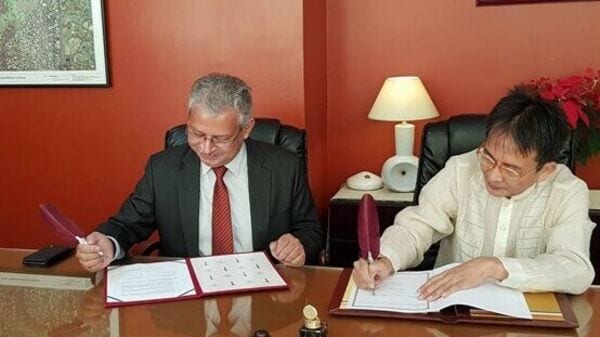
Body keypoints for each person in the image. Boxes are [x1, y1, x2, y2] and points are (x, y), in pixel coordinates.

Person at [353, 86, 596, 299]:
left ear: (545, 170)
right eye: (488, 156)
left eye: (511, 169)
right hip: (451, 308)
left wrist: (494, 267)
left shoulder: (568, 191)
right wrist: (387, 259)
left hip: (530, 318)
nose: (493, 175)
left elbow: (574, 268)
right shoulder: (461, 169)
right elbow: (418, 224)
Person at [77, 73, 324, 272]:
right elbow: (127, 224)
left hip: (263, 289)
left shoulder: (283, 166)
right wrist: (108, 243)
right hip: (188, 294)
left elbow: (310, 230)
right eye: (197, 134)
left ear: (246, 128)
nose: (206, 148)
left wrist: (298, 246)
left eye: (220, 138)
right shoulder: (163, 168)